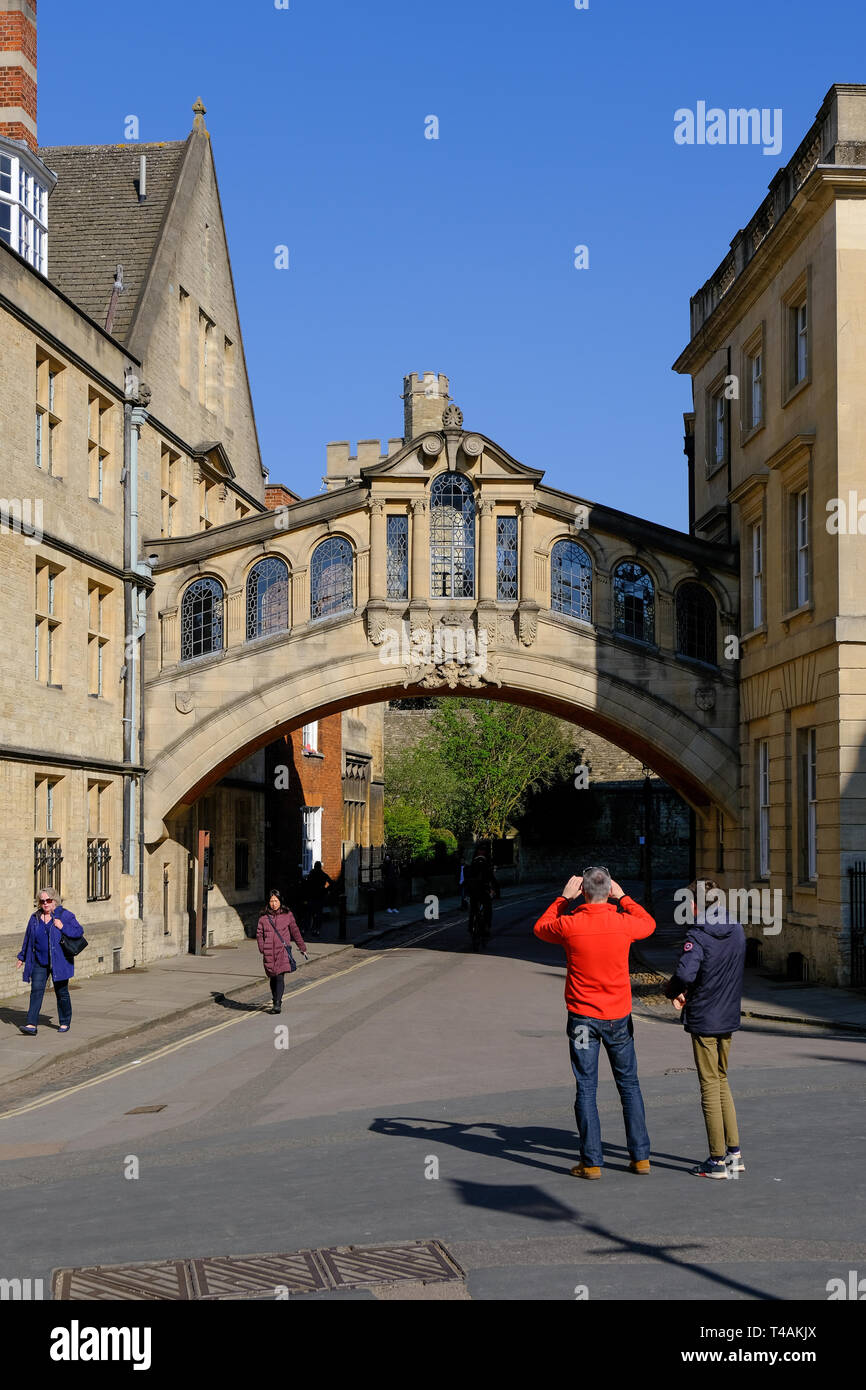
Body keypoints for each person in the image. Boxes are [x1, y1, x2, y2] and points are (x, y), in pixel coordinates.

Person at [533, 867, 656, 1179]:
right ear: (609, 890)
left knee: (587, 1086)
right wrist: (624, 896)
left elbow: (540, 928)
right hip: (618, 1016)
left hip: (584, 1019)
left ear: (583, 892)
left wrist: (563, 898)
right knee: (629, 1085)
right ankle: (640, 1157)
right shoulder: (623, 923)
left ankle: (592, 1162)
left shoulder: (570, 924)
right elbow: (649, 924)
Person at [664, 879, 746, 1179]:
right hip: (728, 1015)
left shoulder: (697, 935)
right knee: (722, 1080)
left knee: (709, 1085)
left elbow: (686, 973)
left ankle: (715, 1161)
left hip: (705, 1017)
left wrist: (673, 991)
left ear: (696, 905)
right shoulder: (736, 929)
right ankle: (734, 1155)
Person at [16, 890, 85, 1035]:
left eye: (48, 900)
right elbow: (28, 938)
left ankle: (65, 1021)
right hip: (39, 961)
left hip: (59, 961)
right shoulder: (34, 917)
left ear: (54, 900)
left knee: (62, 992)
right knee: (36, 991)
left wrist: (62, 927)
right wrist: (22, 956)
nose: (45, 904)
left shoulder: (65, 915)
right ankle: (31, 1024)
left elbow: (79, 931)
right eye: (42, 901)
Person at [256, 889, 309, 1014]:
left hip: (282, 951)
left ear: (280, 901)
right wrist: (262, 948)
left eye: (276, 900)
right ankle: (275, 998)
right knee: (273, 977)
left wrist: (302, 948)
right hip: (269, 952)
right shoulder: (263, 918)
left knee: (279, 976)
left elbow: (295, 931)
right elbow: (259, 934)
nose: (274, 903)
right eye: (271, 901)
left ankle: (277, 1003)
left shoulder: (287, 915)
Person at [466, 850, 499, 941]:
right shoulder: (486, 868)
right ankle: (487, 927)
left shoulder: (470, 868)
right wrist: (497, 893)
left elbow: (466, 881)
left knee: (473, 910)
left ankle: (470, 927)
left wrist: (467, 893)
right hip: (484, 892)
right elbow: (494, 881)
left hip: (473, 893)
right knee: (488, 909)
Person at [305, 861, 333, 937]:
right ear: (320, 867)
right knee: (318, 914)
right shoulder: (323, 874)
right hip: (320, 896)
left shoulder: (311, 874)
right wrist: (325, 889)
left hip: (312, 896)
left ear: (314, 866)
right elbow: (332, 883)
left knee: (310, 914)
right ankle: (316, 930)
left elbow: (307, 884)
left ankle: (309, 929)